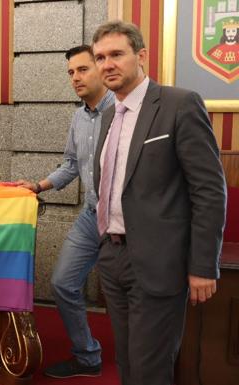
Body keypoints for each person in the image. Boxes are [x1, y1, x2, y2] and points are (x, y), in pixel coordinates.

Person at [91, 21, 226, 385]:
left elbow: (209, 190)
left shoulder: (179, 104)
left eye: (117, 54)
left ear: (141, 56)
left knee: (150, 368)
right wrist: (104, 244)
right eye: (101, 57)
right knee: (127, 362)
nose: (107, 64)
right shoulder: (107, 115)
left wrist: (202, 264)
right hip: (113, 256)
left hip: (160, 260)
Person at [15, 45, 114, 379]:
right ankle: (88, 356)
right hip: (91, 215)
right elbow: (72, 165)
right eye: (71, 72)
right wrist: (39, 186)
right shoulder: (78, 116)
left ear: (101, 68)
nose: (76, 78)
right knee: (62, 284)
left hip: (125, 220)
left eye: (83, 69)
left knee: (131, 296)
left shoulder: (125, 111)